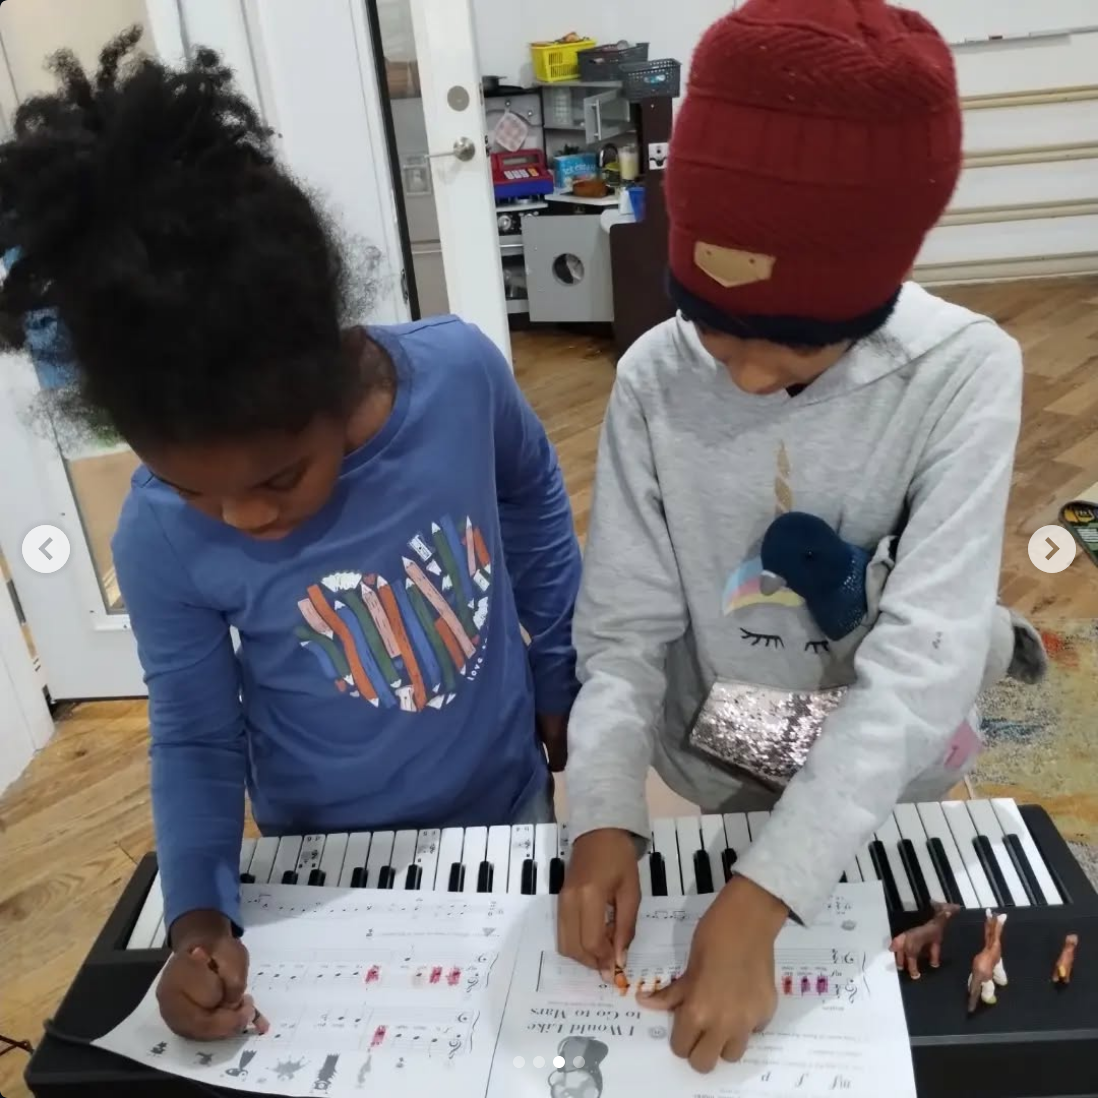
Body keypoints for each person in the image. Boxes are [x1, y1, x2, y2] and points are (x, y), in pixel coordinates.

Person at [0, 31, 580, 1039]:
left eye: (276, 476)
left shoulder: (458, 379)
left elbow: (532, 496)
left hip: (507, 807)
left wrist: (563, 667)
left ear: (339, 364)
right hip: (318, 866)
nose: (246, 518)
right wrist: (197, 917)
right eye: (194, 489)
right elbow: (193, 732)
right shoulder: (158, 534)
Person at [558, 0, 1026, 1073]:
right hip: (714, 764)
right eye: (711, 332)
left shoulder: (963, 375)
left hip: (883, 787)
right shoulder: (650, 378)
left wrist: (767, 896)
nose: (745, 377)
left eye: (791, 352)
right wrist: (601, 813)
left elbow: (918, 671)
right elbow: (624, 631)